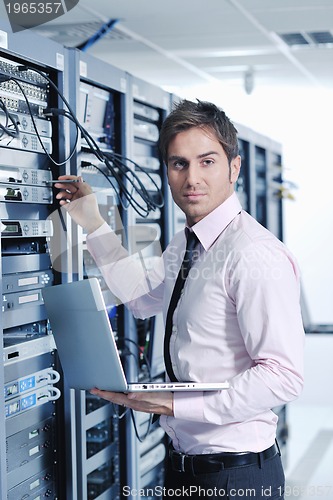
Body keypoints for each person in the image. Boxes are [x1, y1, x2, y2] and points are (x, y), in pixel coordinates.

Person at [55, 99, 304, 499]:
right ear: (167, 172)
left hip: (235, 475)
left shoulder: (252, 253)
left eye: (207, 161)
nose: (192, 178)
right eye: (179, 163)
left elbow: (283, 375)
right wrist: (95, 222)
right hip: (185, 466)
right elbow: (141, 298)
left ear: (233, 168)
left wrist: (173, 405)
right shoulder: (187, 245)